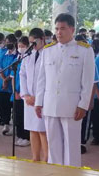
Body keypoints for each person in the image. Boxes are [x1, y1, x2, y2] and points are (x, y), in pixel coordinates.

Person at [35, 14, 95, 167]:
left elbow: (88, 81)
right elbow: (42, 79)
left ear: (72, 29)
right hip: (50, 104)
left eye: (62, 28)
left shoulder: (84, 51)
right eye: (56, 29)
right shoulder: (48, 50)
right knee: (53, 144)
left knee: (71, 146)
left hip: (72, 105)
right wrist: (38, 102)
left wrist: (83, 104)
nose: (58, 32)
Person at [21, 28, 47, 161]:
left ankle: (47, 160)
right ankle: (35, 158)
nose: (32, 45)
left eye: (34, 42)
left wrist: (39, 98)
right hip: (29, 99)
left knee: (43, 130)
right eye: (30, 42)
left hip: (42, 99)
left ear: (42, 39)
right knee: (32, 129)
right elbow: (22, 74)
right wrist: (25, 95)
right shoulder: (28, 55)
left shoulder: (48, 53)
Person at [11, 36, 31, 148]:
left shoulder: (29, 58)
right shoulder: (17, 59)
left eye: (23, 46)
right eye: (19, 46)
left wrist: (23, 92)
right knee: (17, 116)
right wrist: (15, 91)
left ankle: (26, 137)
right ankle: (20, 136)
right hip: (17, 93)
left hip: (26, 93)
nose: (20, 48)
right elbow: (13, 77)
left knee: (25, 116)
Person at [0, 34, 18, 134]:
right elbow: (0, 67)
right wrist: (3, 79)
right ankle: (5, 124)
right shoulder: (3, 54)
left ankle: (16, 126)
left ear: (14, 43)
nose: (8, 44)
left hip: (12, 84)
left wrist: (7, 79)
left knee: (14, 107)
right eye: (7, 42)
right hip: (2, 84)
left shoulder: (17, 55)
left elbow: (15, 69)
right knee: (3, 105)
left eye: (10, 42)